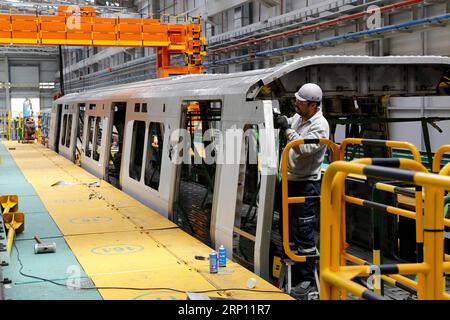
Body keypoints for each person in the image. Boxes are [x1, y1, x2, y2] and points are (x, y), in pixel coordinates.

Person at [275, 83, 330, 299]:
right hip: (289, 180)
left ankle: (307, 280)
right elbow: (290, 124)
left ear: (313, 105)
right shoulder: (299, 117)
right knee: (287, 227)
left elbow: (306, 147)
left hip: (306, 183)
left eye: (300, 101)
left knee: (303, 230)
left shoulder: (320, 125)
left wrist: (287, 130)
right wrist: (280, 119)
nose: (295, 104)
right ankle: (293, 271)